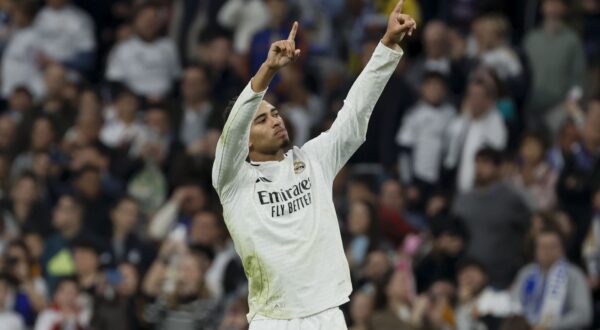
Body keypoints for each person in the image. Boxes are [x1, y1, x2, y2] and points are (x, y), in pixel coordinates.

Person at [211, 1, 417, 327]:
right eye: (262, 120)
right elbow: (233, 130)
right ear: (245, 140)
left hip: (328, 315)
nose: (275, 120)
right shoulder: (233, 180)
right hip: (273, 318)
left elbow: (354, 113)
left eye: (275, 113)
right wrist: (266, 71)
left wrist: (387, 45)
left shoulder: (314, 159)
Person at [452, 147, 531, 288]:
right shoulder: (463, 199)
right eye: (477, 162)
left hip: (502, 276)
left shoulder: (511, 198)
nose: (479, 167)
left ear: (499, 168)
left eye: (486, 163)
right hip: (467, 275)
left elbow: (530, 226)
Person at [512, 226, 593, 330]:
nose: (547, 251)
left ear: (562, 249)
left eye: (552, 246)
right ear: (535, 249)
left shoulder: (574, 275)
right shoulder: (525, 273)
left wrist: (549, 327)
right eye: (543, 246)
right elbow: (513, 304)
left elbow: (583, 315)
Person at [105, 2, 181, 100]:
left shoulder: (169, 46)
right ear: (135, 21)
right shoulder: (122, 49)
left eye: (153, 19)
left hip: (166, 102)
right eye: (145, 19)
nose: (149, 23)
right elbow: (115, 81)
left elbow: (176, 77)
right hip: (134, 103)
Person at [32, 0, 95, 73]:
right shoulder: (39, 16)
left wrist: (58, 62)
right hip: (37, 75)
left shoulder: (80, 19)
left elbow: (86, 60)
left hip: (67, 76)